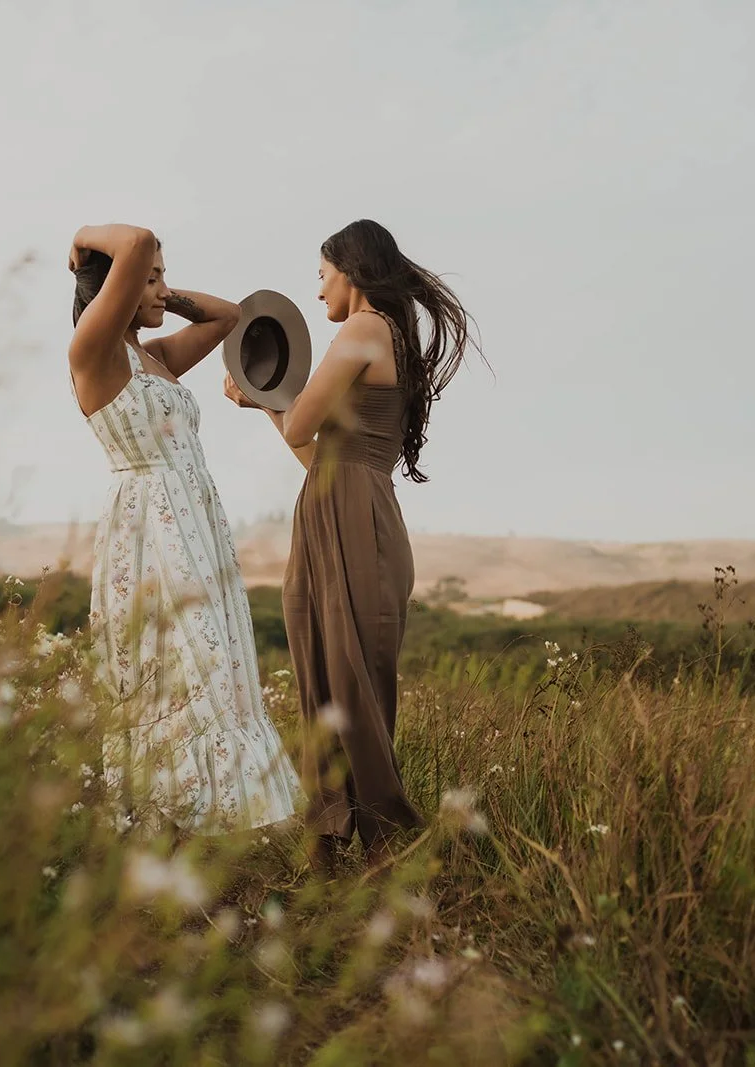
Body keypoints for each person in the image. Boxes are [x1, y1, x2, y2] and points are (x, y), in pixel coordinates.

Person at [224, 219, 479, 872]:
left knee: (351, 684)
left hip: (355, 515)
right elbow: (311, 449)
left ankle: (392, 845)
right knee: (322, 672)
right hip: (331, 501)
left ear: (351, 269)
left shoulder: (363, 330)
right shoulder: (380, 335)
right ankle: (331, 838)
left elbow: (300, 421)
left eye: (320, 275)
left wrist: (256, 395)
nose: (317, 293)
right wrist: (266, 407)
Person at [67, 223, 300, 833]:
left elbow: (228, 318)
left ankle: (207, 820)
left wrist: (158, 296)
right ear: (113, 286)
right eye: (153, 276)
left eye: (165, 275)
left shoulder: (155, 357)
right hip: (148, 530)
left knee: (216, 665)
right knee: (174, 664)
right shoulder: (92, 351)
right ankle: (167, 820)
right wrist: (84, 238)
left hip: (194, 523)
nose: (163, 285)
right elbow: (138, 238)